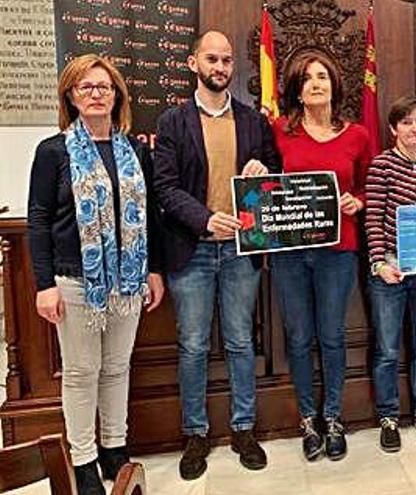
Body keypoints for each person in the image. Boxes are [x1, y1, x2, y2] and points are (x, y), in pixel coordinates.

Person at [27, 53, 164, 495]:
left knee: (117, 367)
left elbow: (150, 218)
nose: (96, 94)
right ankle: (83, 458)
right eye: (85, 87)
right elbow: (39, 219)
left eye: (104, 86)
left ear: (117, 95)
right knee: (82, 371)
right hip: (74, 281)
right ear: (71, 95)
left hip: (128, 282)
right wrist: (44, 285)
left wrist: (154, 271)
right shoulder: (53, 151)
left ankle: (114, 448)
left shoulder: (135, 149)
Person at [153, 30, 280, 479]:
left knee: (242, 342)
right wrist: (205, 218)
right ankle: (195, 434)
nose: (221, 67)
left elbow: (275, 174)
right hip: (193, 252)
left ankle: (244, 428)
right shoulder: (172, 121)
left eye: (227, 60)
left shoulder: (252, 121)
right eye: (212, 59)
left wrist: (265, 171)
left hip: (241, 252)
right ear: (194, 63)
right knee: (192, 346)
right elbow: (164, 187)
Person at [271, 51, 371, 462]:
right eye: (307, 78)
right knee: (298, 338)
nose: (315, 83)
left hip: (338, 253)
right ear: (296, 88)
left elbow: (370, 187)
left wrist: (358, 202)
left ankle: (333, 419)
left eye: (323, 77)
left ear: (334, 84)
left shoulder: (358, 135)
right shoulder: (280, 131)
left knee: (331, 337)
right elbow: (263, 185)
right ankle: (307, 420)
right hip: (291, 253)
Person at [364, 95, 416, 452]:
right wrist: (380, 263)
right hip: (392, 268)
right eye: (407, 122)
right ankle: (388, 415)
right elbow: (372, 219)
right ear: (393, 129)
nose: (415, 128)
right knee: (387, 348)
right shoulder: (381, 165)